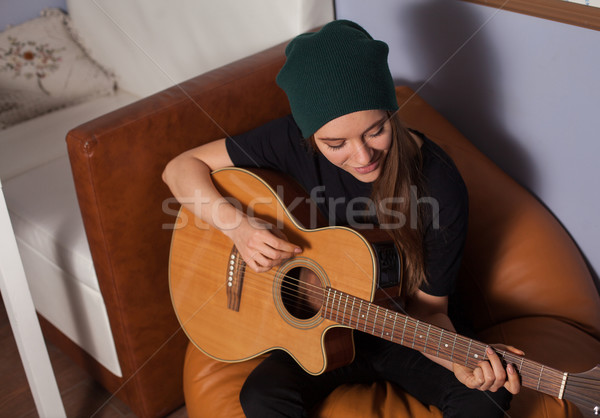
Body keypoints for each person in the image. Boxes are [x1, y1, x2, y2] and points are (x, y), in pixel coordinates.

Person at [163, 19, 522, 418]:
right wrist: (238, 227)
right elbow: (180, 168)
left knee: (487, 397)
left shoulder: (439, 186)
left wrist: (456, 358)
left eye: (376, 130)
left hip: (400, 329)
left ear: (391, 111)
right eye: (336, 144)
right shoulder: (288, 142)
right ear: (310, 136)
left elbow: (428, 309)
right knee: (260, 397)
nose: (363, 156)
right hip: (318, 332)